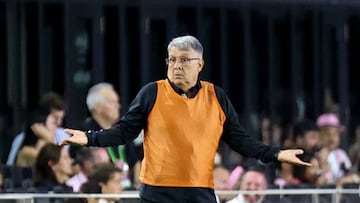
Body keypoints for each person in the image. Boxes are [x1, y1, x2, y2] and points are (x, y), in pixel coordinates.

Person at [61, 35, 311, 203]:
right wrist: (88, 138)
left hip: (200, 193)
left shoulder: (216, 96)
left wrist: (276, 154)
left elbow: (240, 141)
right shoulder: (152, 92)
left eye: (184, 60)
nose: (176, 66)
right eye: (172, 60)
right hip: (156, 194)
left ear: (199, 64)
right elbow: (123, 132)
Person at [7, 92, 70, 165]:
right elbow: (11, 166)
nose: (59, 123)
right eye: (55, 118)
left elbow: (61, 165)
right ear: (43, 117)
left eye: (61, 119)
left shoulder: (64, 136)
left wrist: (49, 139)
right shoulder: (20, 139)